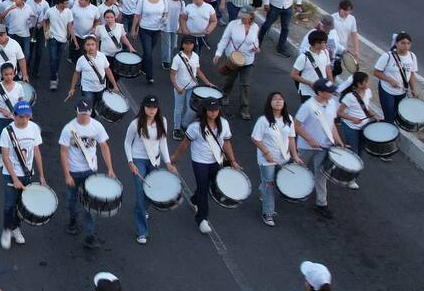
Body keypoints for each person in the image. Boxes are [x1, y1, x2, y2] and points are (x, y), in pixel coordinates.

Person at [172, 99, 238, 235]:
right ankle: (202, 218)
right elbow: (185, 144)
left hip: (216, 160)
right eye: (210, 110)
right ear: (205, 110)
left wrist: (233, 160)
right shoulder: (195, 127)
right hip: (199, 161)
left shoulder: (224, 124)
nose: (213, 112)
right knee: (203, 187)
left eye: (216, 110)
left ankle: (195, 199)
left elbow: (226, 143)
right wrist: (174, 159)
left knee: (210, 184)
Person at [59, 100, 116, 249]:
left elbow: (104, 146)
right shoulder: (68, 129)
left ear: (90, 112)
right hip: (74, 171)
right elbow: (63, 152)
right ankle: (73, 219)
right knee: (71, 200)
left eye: (86, 112)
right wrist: (67, 175)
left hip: (91, 171)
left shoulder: (97, 126)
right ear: (76, 112)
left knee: (90, 204)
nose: (84, 115)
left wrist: (110, 168)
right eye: (81, 112)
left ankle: (90, 235)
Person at [124, 95, 177, 243]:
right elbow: (127, 143)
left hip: (154, 160)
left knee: (152, 192)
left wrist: (168, 163)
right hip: (138, 160)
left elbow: (163, 143)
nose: (152, 110)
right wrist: (130, 162)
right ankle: (142, 231)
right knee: (141, 193)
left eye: (154, 107)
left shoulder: (163, 122)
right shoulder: (135, 124)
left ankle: (142, 209)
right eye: (149, 107)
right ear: (144, 107)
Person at [0, 101, 47, 250]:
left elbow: (37, 151)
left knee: (21, 204)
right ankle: (6, 230)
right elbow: (5, 156)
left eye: (27, 116)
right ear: (14, 115)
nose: (25, 119)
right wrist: (14, 178)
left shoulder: (34, 129)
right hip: (11, 175)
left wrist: (42, 176)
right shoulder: (7, 131)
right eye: (21, 116)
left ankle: (15, 228)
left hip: (27, 173)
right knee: (9, 205)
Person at [294, 80, 344, 217]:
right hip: (306, 147)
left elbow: (332, 125)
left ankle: (322, 203)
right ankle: (292, 190)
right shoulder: (308, 106)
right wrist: (310, 139)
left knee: (321, 174)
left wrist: (338, 141)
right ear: (320, 92)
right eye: (329, 91)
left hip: (325, 146)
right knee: (299, 169)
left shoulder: (332, 103)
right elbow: (296, 126)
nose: (332, 93)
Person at [250, 91, 300, 227]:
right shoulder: (263, 120)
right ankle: (268, 212)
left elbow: (291, 138)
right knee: (270, 184)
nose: (278, 101)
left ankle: (263, 191)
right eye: (275, 99)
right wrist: (266, 153)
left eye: (280, 99)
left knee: (277, 182)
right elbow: (255, 138)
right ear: (269, 103)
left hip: (283, 157)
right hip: (267, 160)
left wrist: (295, 155)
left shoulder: (288, 118)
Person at [214, 5, 260, 119]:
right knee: (230, 79)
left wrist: (256, 47)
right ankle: (225, 95)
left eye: (245, 17)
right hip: (233, 59)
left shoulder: (255, 27)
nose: (243, 19)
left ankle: (244, 108)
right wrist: (218, 54)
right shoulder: (233, 25)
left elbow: (255, 41)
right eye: (242, 16)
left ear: (251, 16)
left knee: (245, 84)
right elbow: (224, 39)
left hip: (248, 59)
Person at [170, 34, 213, 139]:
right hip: (180, 87)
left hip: (192, 87)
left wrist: (207, 82)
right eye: (186, 43)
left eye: (191, 44)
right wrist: (177, 87)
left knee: (192, 109)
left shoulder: (195, 56)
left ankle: (184, 124)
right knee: (178, 109)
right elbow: (172, 74)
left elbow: (198, 71)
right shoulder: (178, 58)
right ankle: (176, 128)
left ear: (193, 45)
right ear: (183, 45)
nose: (188, 46)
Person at [372, 32, 418, 123]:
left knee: (398, 116)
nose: (406, 46)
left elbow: (412, 74)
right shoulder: (387, 56)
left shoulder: (412, 56)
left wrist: (414, 90)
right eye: (403, 43)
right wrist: (389, 80)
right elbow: (376, 72)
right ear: (396, 43)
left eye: (408, 43)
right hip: (387, 90)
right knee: (389, 117)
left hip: (402, 91)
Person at [337, 73, 375, 172]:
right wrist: (352, 118)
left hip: (364, 126)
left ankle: (353, 171)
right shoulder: (349, 97)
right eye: (366, 82)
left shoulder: (368, 92)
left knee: (361, 151)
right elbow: (340, 113)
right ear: (359, 84)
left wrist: (372, 116)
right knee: (354, 151)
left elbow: (366, 106)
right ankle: (348, 172)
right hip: (351, 127)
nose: (368, 83)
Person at [68, 36, 118, 109]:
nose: (90, 47)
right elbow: (76, 74)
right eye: (88, 45)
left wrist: (114, 85)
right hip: (87, 89)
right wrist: (72, 88)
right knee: (89, 108)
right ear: (84, 47)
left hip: (101, 88)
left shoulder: (102, 56)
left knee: (98, 107)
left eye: (92, 44)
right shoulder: (81, 60)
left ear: (96, 45)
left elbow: (108, 71)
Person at [291, 29, 334, 105]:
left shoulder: (325, 52)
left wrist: (331, 83)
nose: (326, 44)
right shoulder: (303, 57)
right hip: (307, 93)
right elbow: (294, 75)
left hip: (321, 91)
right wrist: (310, 83)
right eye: (324, 42)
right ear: (316, 44)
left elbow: (327, 68)